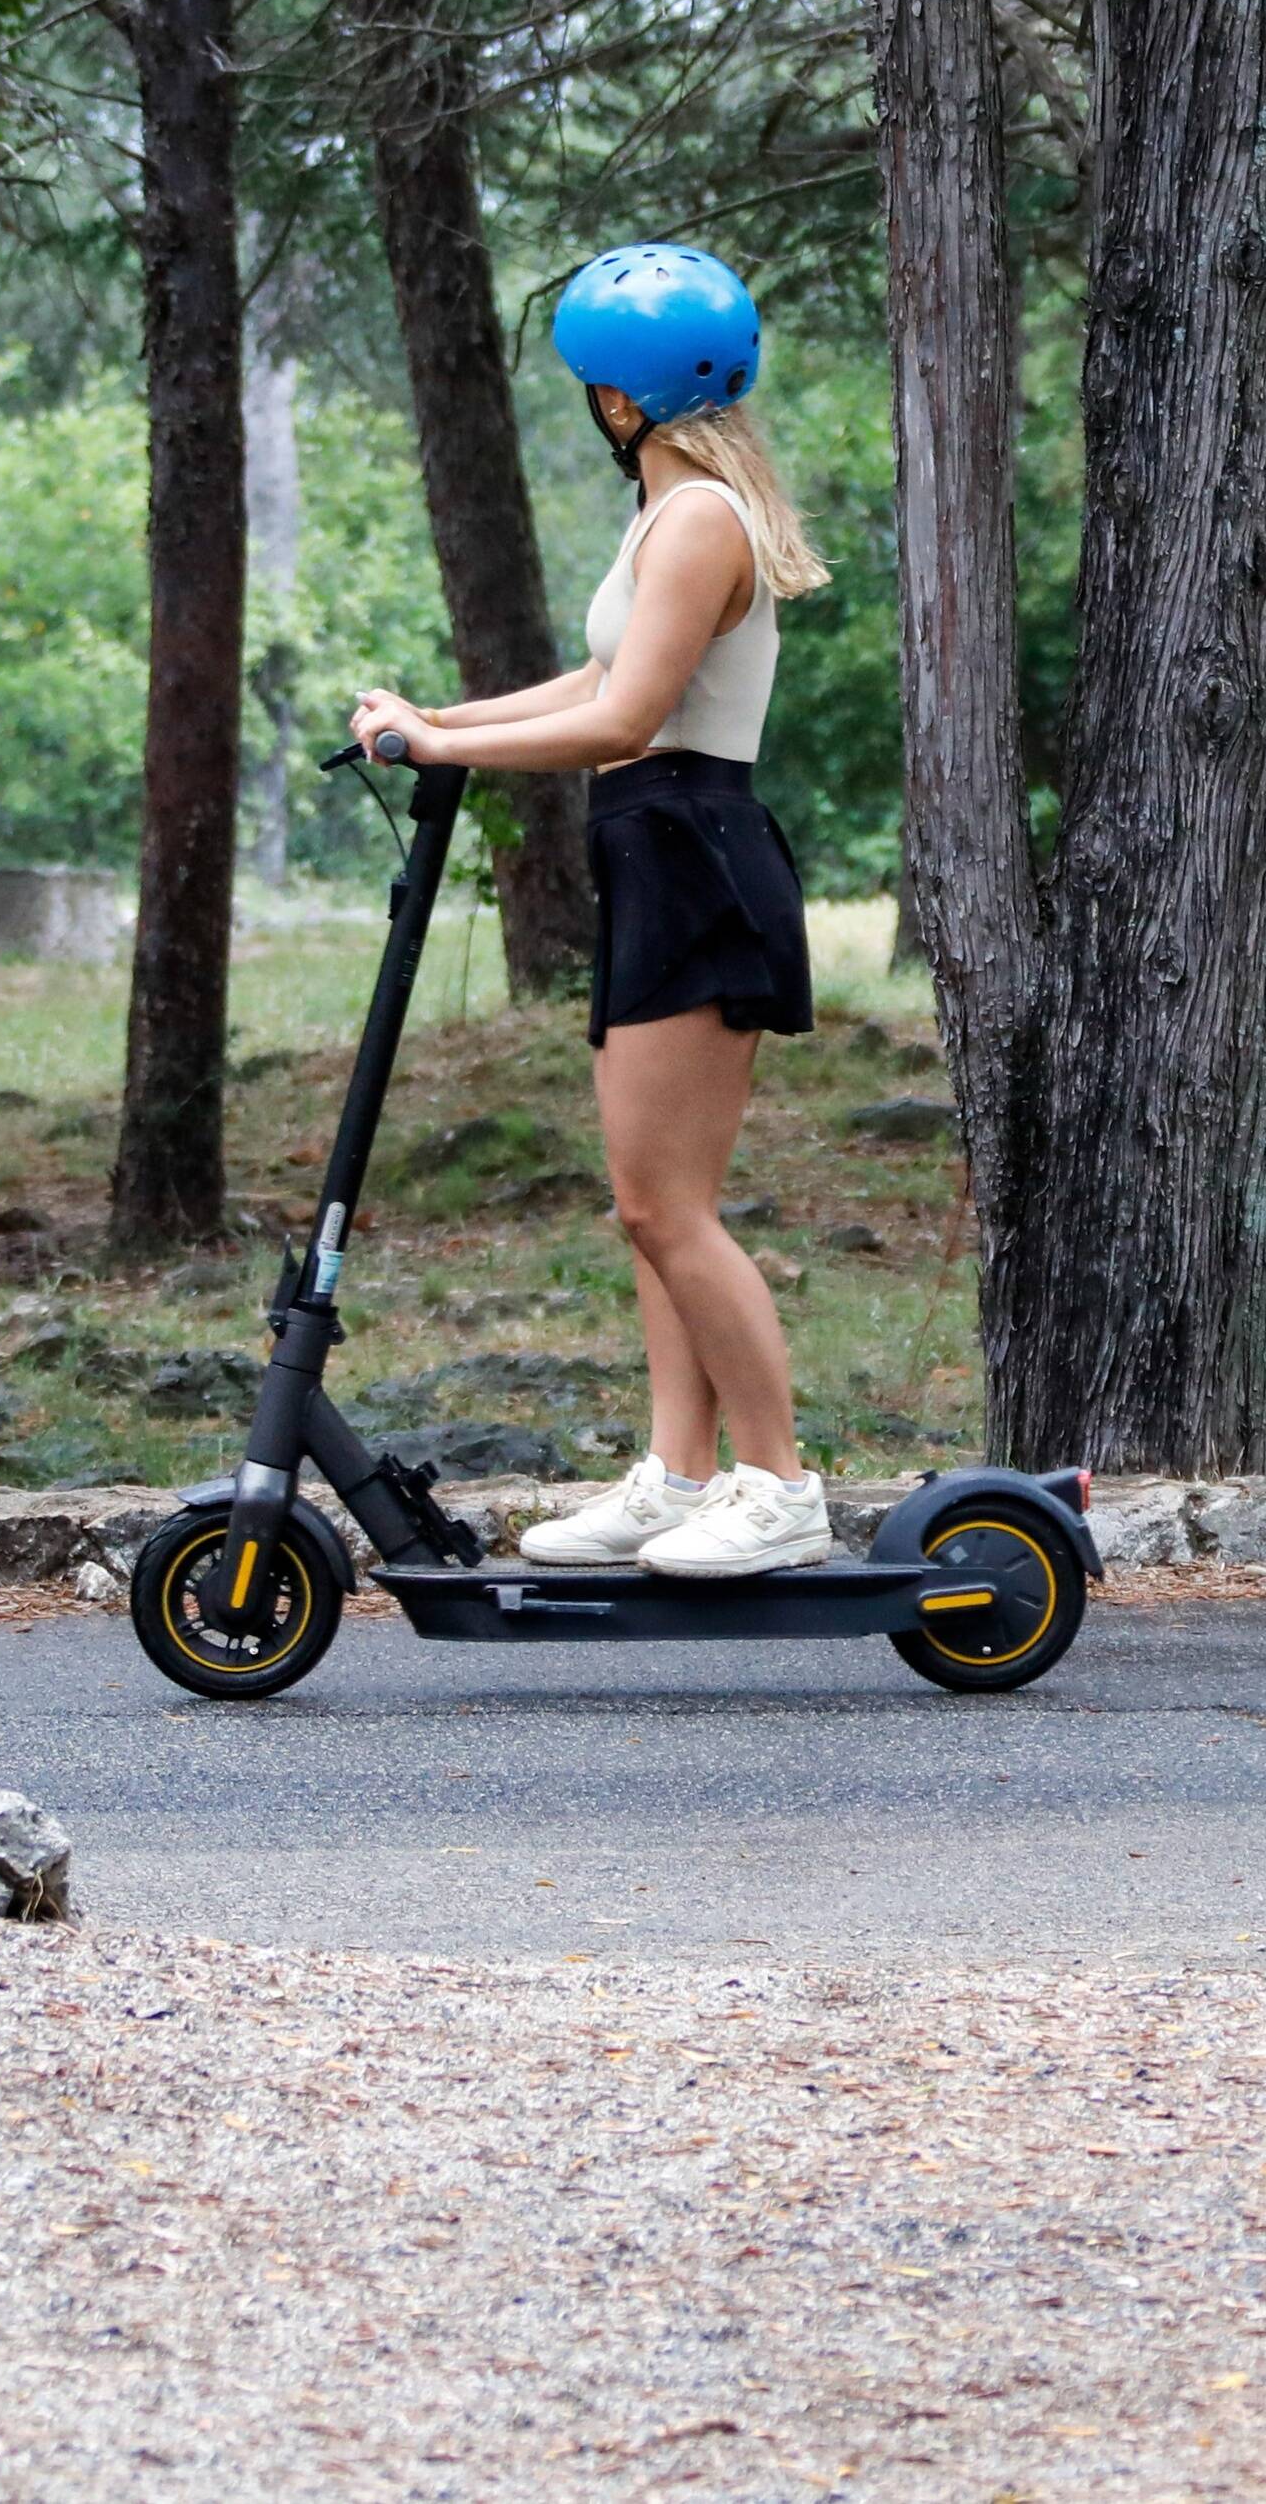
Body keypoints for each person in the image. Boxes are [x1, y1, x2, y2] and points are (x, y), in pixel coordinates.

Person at [347, 243, 839, 1579]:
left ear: (625, 400)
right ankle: (682, 1475)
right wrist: (437, 718)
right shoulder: (668, 515)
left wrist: (441, 754)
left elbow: (623, 719)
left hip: (690, 845)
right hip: (656, 842)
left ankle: (779, 1485)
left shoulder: (696, 523)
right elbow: (597, 672)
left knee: (668, 1206)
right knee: (649, 1203)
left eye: (590, 384)